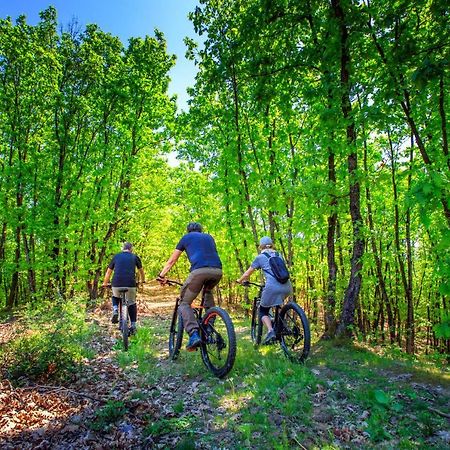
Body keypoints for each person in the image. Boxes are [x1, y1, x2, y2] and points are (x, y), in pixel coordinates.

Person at [158, 222, 222, 351]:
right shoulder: (209, 237)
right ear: (201, 230)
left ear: (188, 231)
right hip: (217, 271)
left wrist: (161, 275)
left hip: (199, 272)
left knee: (184, 303)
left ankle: (193, 334)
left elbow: (172, 260)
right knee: (207, 293)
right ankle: (209, 327)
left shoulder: (186, 238)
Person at [237, 236, 293, 344]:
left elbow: (247, 273)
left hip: (272, 287)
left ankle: (271, 331)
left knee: (263, 311)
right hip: (287, 286)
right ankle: (282, 325)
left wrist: (240, 280)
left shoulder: (260, 257)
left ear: (260, 246)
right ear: (272, 244)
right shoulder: (279, 254)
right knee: (277, 304)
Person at [102, 242, 145, 334]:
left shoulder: (116, 257)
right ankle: (133, 325)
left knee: (115, 295)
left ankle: (115, 309)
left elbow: (108, 272)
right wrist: (142, 281)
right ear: (131, 249)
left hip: (116, 283)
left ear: (123, 248)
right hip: (130, 284)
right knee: (132, 303)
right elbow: (141, 271)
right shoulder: (135, 257)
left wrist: (105, 283)